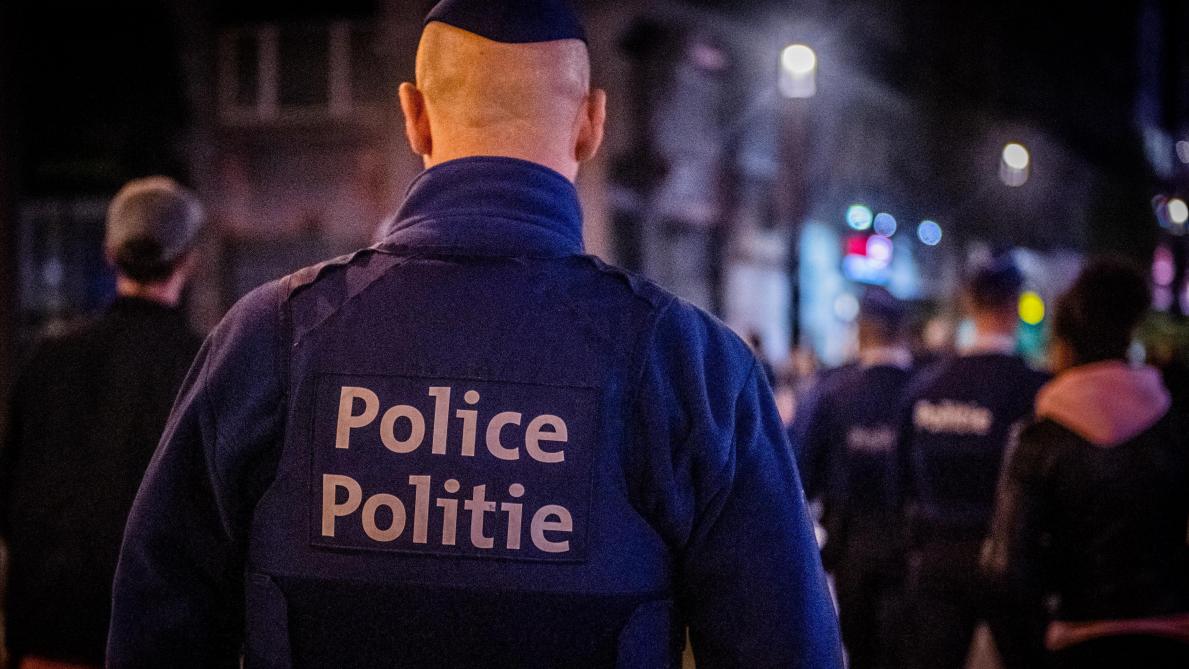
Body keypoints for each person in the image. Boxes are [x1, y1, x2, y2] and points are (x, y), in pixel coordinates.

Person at [106, 1, 843, 667]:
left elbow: (154, 626)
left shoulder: (267, 338)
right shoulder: (692, 367)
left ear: (414, 116)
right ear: (591, 122)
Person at [0, 177, 204, 668]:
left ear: (109, 253)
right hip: (157, 640)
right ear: (188, 260)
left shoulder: (48, 359)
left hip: (50, 635)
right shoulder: (203, 367)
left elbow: (9, 493)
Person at [983, 258, 1189, 669]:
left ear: (1065, 347)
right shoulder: (1176, 429)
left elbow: (1007, 572)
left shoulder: (1040, 440)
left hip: (1075, 641)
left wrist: (1028, 655)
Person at [894, 257, 1049, 669]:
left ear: (968, 302)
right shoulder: (1037, 391)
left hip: (937, 556)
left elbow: (900, 483)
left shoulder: (924, 390)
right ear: (1015, 305)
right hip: (1011, 561)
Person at [793, 288, 914, 669]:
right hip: (909, 548)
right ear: (903, 332)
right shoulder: (922, 391)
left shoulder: (832, 394)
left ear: (861, 331)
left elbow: (802, 472)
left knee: (861, 650)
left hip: (851, 545)